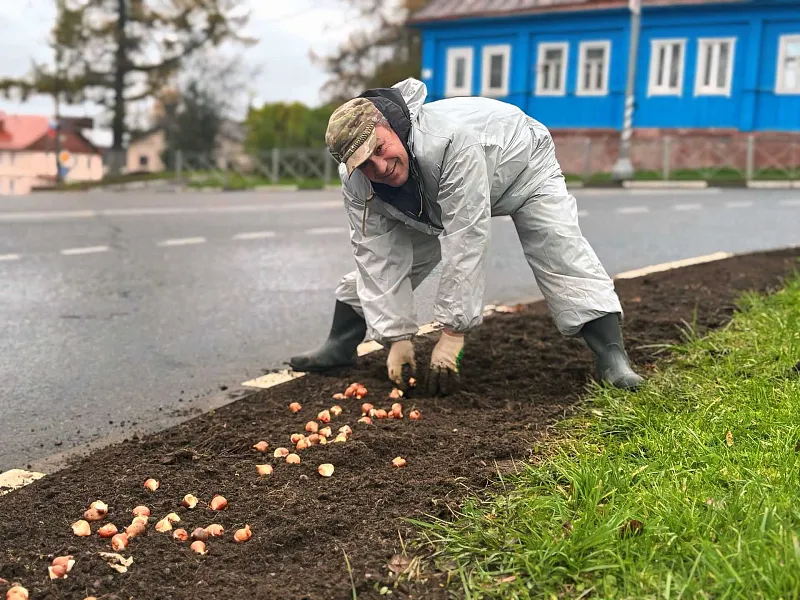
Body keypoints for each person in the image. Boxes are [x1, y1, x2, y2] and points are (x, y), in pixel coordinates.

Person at [289, 78, 644, 395]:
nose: (379, 167)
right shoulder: (358, 180)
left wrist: (452, 333)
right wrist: (395, 337)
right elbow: (375, 254)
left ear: (390, 126)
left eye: (379, 150)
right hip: (431, 197)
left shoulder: (448, 141)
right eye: (365, 164)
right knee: (390, 261)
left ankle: (611, 355)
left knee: (556, 243)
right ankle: (341, 344)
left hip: (521, 163)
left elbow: (466, 236)